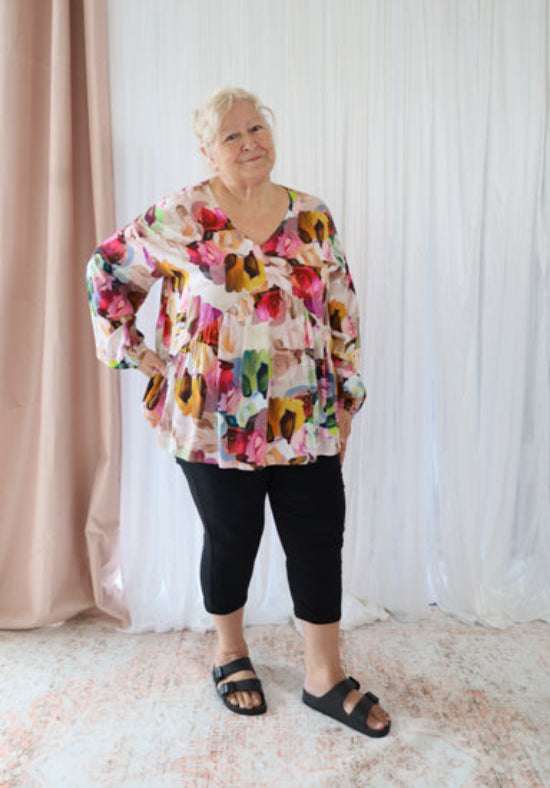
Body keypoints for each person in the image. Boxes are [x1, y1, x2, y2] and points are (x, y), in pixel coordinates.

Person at [86, 86, 390, 737]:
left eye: (257, 127)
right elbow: (108, 269)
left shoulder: (312, 216)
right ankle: (229, 650)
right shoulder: (182, 215)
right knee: (233, 537)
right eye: (232, 135)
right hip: (209, 419)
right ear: (207, 150)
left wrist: (349, 393)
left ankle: (323, 674)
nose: (250, 141)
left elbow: (341, 308)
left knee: (317, 534)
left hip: (304, 414)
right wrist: (138, 355)